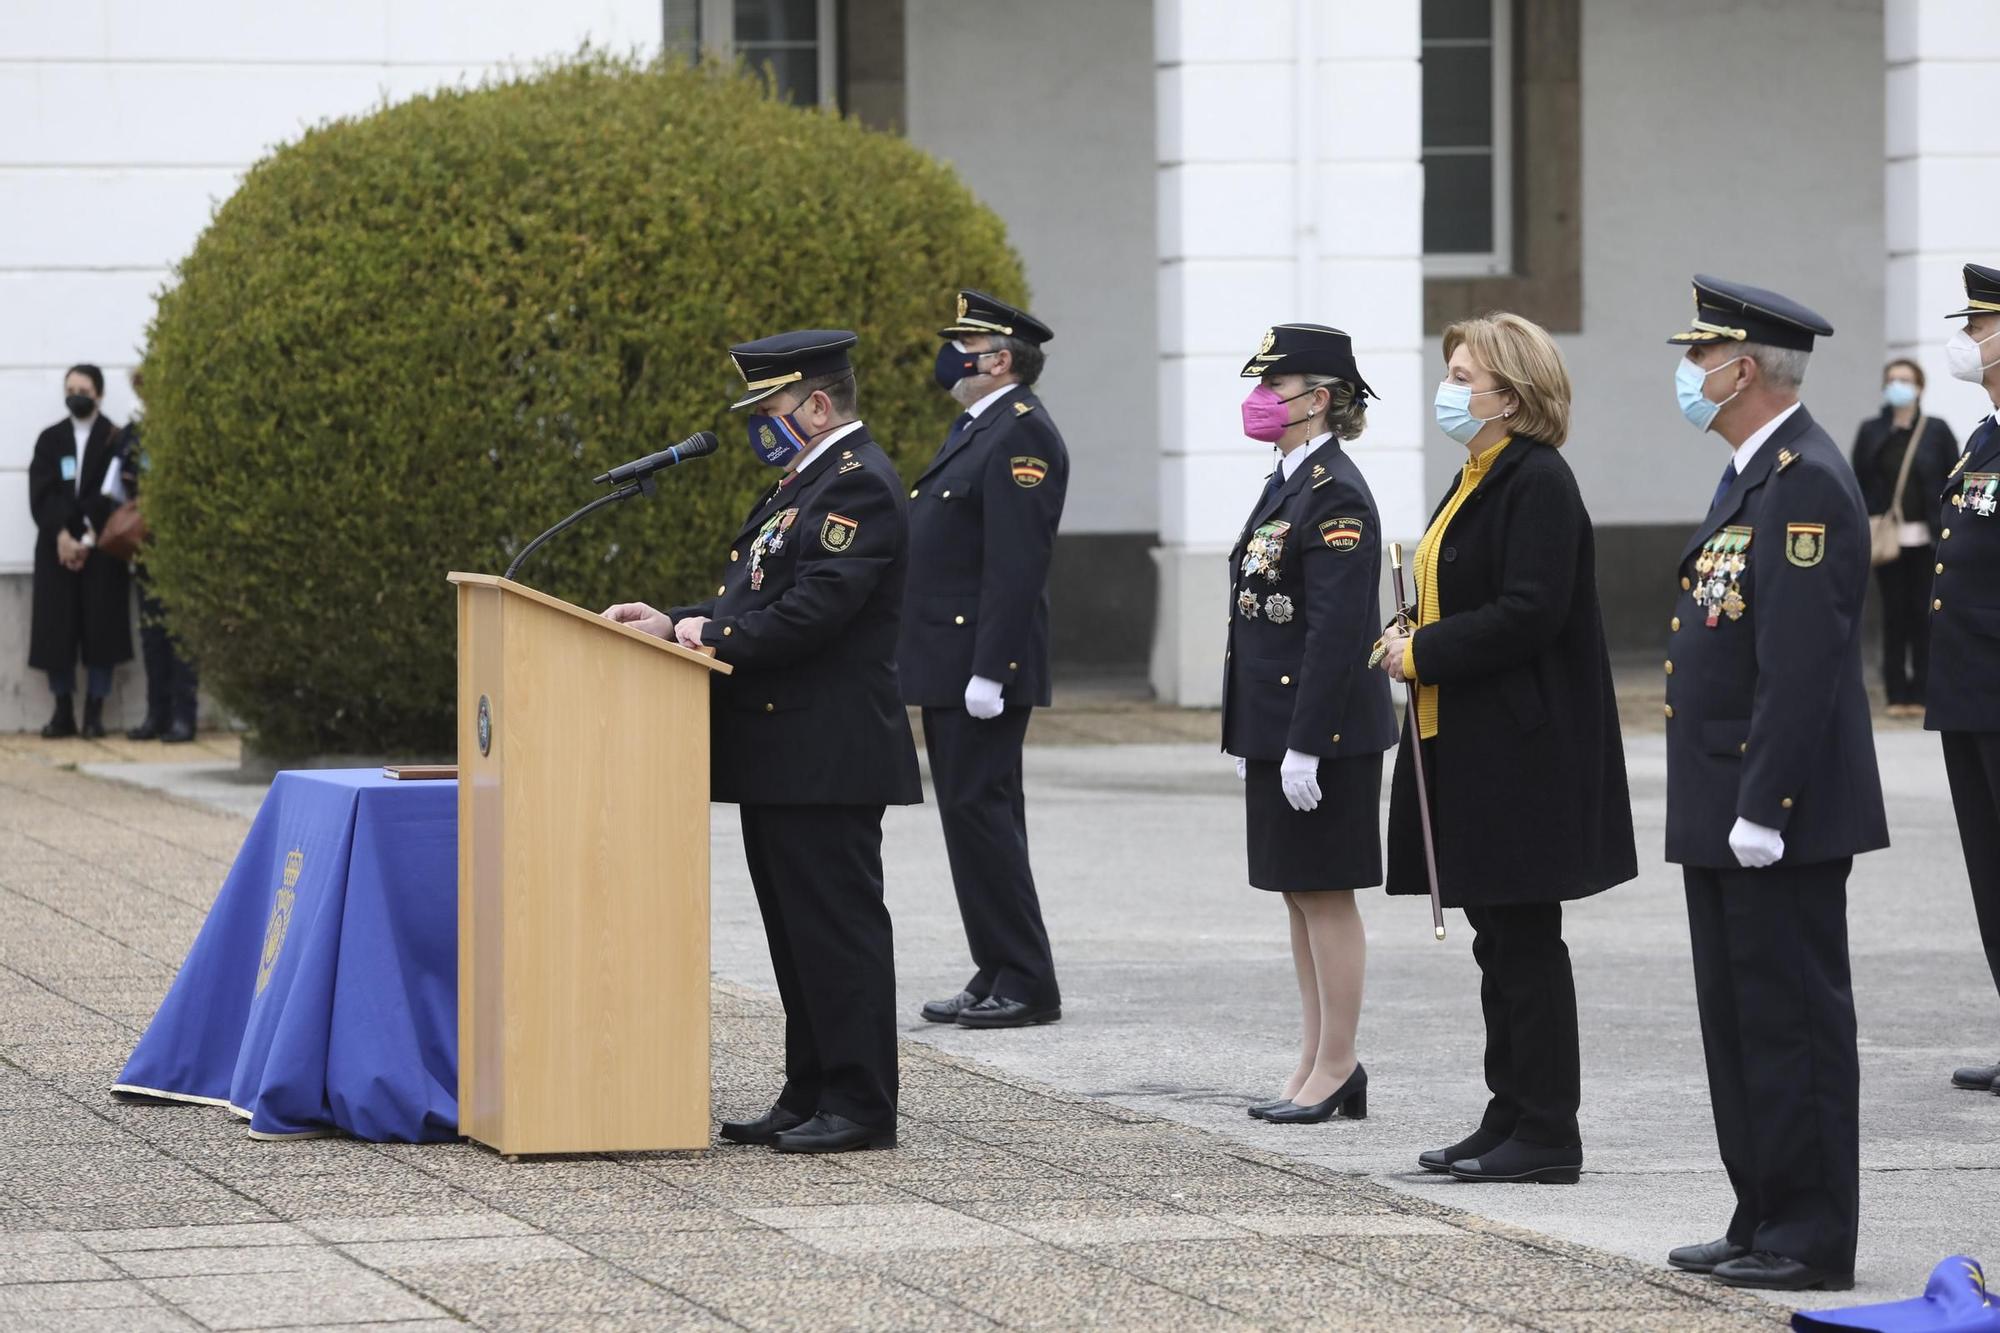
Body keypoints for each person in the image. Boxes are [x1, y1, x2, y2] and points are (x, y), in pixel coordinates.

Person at [603, 330, 921, 1154]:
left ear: (818, 405)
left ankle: (859, 1101)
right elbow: (756, 591)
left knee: (837, 930)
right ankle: (809, 1087)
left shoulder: (860, 486)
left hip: (828, 750)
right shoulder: (805, 482)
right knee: (795, 930)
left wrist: (718, 634)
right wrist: (674, 621)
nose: (759, 424)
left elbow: (817, 605)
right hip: (783, 751)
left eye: (770, 408)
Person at [1661, 276, 1885, 1292]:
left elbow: (1799, 666)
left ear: (1741, 368)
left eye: (1699, 358)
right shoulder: (1751, 472)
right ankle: (1759, 1208)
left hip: (1772, 807)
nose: (1688, 376)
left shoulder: (1803, 480)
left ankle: (1806, 1231)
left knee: (1788, 1016)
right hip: (1724, 796)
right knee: (1737, 1016)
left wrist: (1763, 804)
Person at [1376, 312, 1634, 1183]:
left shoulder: (1537, 479)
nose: (1448, 389)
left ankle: (1550, 1128)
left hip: (1523, 748)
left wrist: (1426, 652)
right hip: (1470, 739)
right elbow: (1460, 589)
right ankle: (1510, 1109)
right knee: (1497, 939)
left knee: (1525, 938)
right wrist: (1407, 629)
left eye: (1462, 375)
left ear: (1510, 394)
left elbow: (1531, 610)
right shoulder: (1478, 473)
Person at [1225, 324, 1397, 1124]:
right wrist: (1251, 734)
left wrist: (1304, 743)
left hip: (1323, 734)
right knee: (1297, 894)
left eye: (1278, 386)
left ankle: (1339, 1061)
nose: (1262, 400)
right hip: (1278, 725)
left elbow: (1334, 631)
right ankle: (1316, 1053)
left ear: (1319, 399)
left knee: (1326, 895)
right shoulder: (1287, 480)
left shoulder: (1336, 492)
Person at [902, 291, 1069, 1030]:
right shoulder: (979, 428)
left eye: (963, 344)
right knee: (974, 817)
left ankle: (1028, 979)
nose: (950, 357)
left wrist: (990, 670)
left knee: (984, 815)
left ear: (997, 359)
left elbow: (1015, 564)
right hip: (951, 657)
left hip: (980, 665)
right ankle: (998, 962)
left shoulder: (1021, 435)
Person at [1926, 261, 2000, 1098]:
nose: (1969, 339)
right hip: (1970, 695)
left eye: (1980, 326)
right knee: (1990, 872)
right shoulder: (1984, 435)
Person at [27, 364, 132, 739]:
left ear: (99, 394)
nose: (76, 394)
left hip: (101, 548)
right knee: (58, 628)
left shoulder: (114, 438)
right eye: (70, 388)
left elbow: (112, 493)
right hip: (57, 549)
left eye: (83, 389)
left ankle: (95, 712)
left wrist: (87, 537)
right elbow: (43, 492)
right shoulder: (50, 439)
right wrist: (61, 535)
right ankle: (62, 711)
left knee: (100, 629)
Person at [1850, 358, 1957, 717]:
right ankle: (1897, 693)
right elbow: (1858, 480)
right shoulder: (1872, 431)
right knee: (1894, 615)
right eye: (1892, 380)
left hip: (1927, 540)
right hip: (1888, 539)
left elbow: (1951, 477)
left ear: (1920, 387)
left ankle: (1924, 691)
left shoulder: (1936, 431)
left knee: (1923, 615)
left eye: (1905, 380)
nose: (1898, 386)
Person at [118, 370, 200, 743]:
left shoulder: (186, 429)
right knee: (152, 635)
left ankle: (184, 717)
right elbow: (121, 479)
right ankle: (157, 713)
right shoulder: (134, 434)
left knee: (181, 634)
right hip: (146, 547)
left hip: (180, 548)